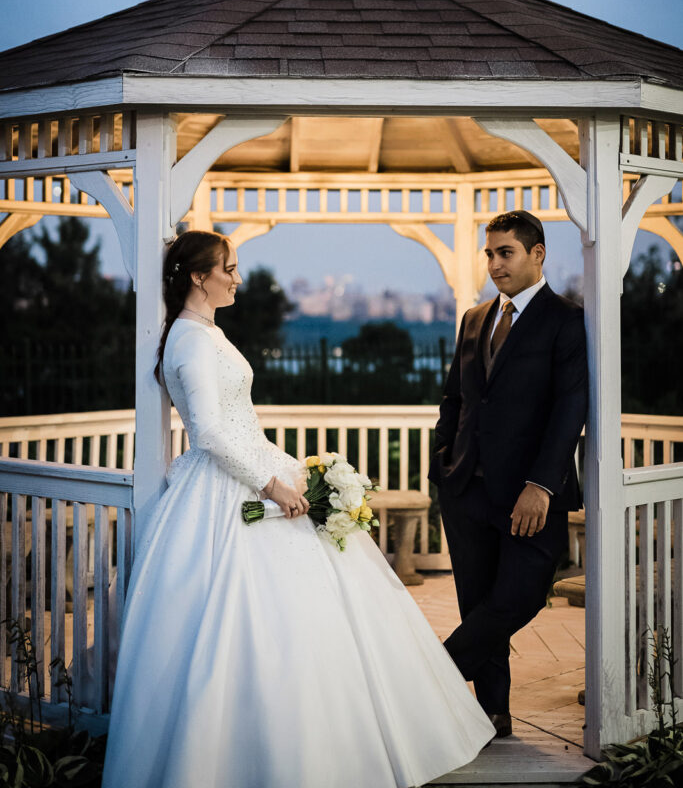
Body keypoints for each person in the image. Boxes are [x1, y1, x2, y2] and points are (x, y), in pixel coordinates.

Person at [102, 230, 494, 788]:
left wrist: (293, 468)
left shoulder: (206, 331)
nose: (237, 278)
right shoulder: (189, 339)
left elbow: (242, 423)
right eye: (229, 268)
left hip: (252, 468)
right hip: (226, 492)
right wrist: (270, 483)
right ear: (198, 276)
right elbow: (211, 430)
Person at [429, 210, 588, 739]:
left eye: (506, 253)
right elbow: (455, 396)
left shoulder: (567, 319)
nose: (495, 264)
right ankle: (493, 713)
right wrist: (442, 460)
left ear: (537, 254)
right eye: (490, 254)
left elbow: (571, 405)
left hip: (530, 494)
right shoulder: (475, 318)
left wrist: (541, 485)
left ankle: (432, 677)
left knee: (519, 595)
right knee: (477, 599)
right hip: (466, 488)